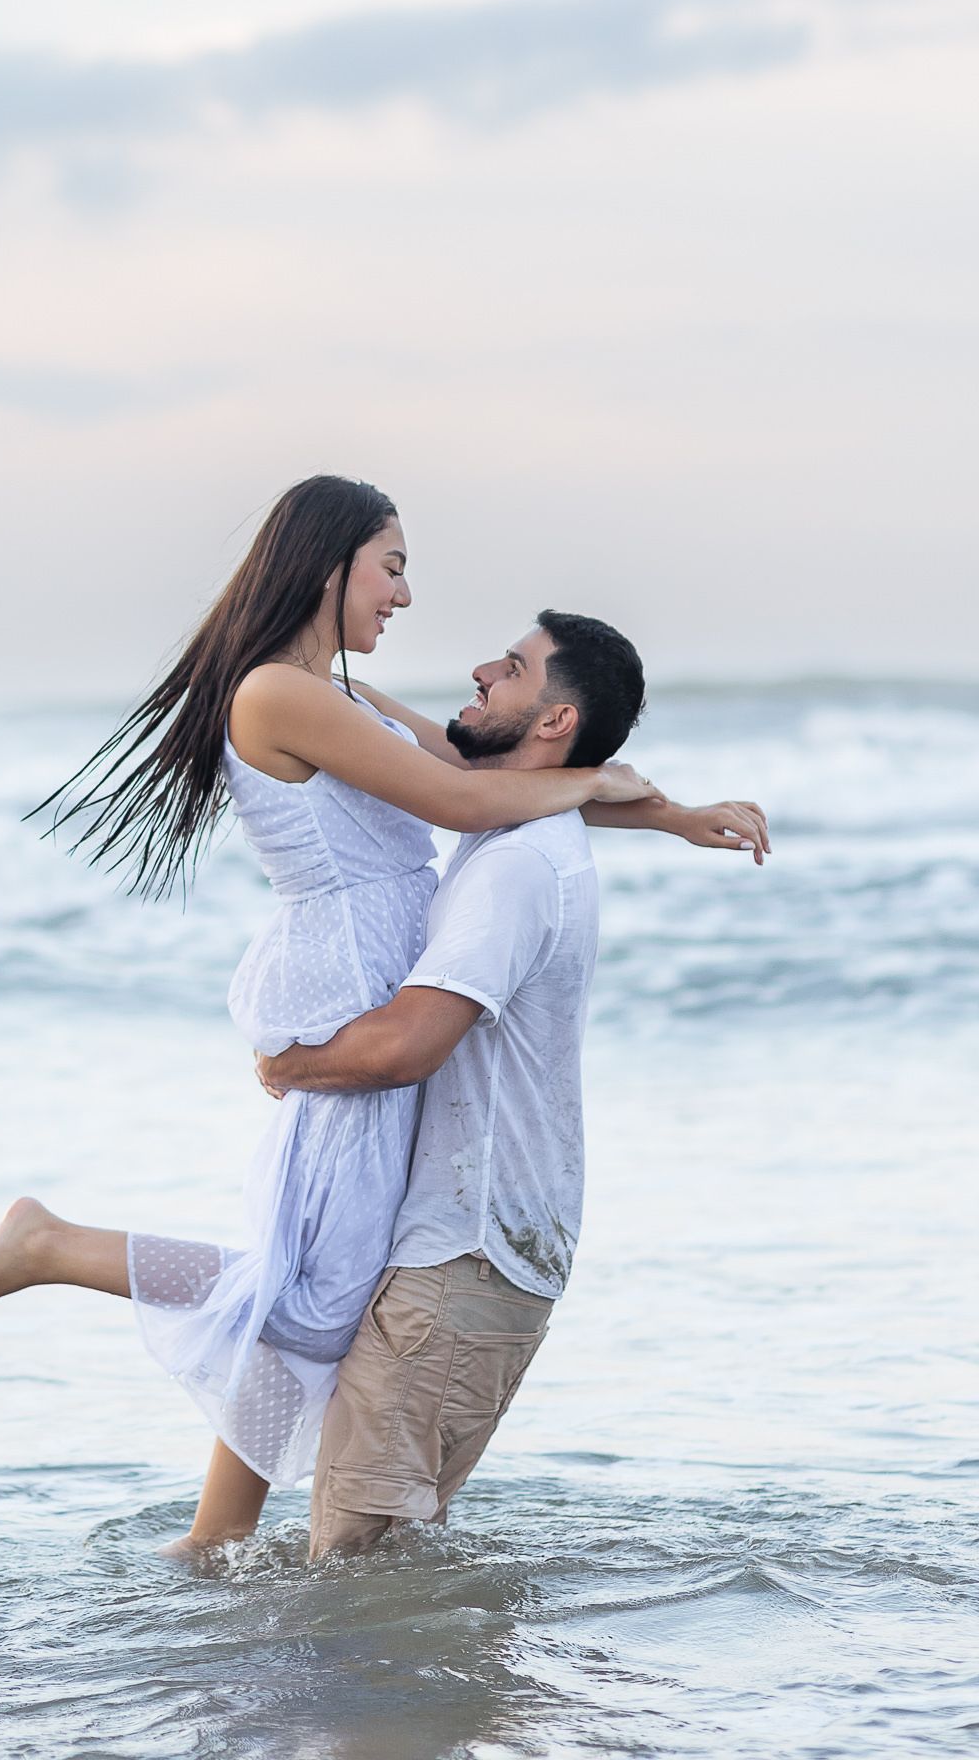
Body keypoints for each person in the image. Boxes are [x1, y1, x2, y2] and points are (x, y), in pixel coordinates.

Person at [0, 477, 681, 1553]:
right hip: (346, 984)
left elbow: (482, 762)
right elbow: (470, 802)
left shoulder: (343, 698)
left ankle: (213, 1535)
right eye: (392, 565)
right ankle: (54, 1247)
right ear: (328, 566)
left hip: (373, 972)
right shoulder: (276, 695)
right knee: (316, 1298)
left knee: (320, 1275)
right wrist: (601, 786)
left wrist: (667, 813)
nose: (405, 596)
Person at [256, 610, 768, 1560]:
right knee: (385, 1563)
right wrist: (663, 812)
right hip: (485, 1249)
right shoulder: (520, 827)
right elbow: (433, 759)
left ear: (554, 723)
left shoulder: (519, 866)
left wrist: (289, 1064)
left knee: (355, 1570)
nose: (485, 668)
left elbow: (411, 1045)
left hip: (467, 1257)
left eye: (517, 667)